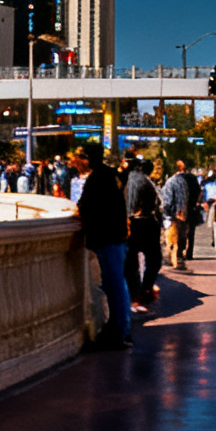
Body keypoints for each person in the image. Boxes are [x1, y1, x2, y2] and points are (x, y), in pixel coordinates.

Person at [70, 147, 134, 350]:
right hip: (118, 236)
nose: (77, 162)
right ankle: (122, 329)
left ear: (88, 160)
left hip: (107, 238)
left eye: (80, 158)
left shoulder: (96, 179)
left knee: (114, 285)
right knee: (118, 285)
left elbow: (83, 206)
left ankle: (118, 332)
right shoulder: (111, 175)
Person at [123, 153, 163, 310]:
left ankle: (138, 291)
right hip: (142, 223)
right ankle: (142, 291)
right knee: (153, 259)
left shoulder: (130, 179)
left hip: (133, 223)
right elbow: (134, 205)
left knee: (132, 261)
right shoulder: (140, 180)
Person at [163, 158, 202, 270]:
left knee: (173, 239)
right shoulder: (184, 181)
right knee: (184, 236)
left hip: (174, 215)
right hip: (185, 212)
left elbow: (167, 201)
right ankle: (182, 257)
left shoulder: (171, 182)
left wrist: (166, 213)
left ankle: (175, 259)